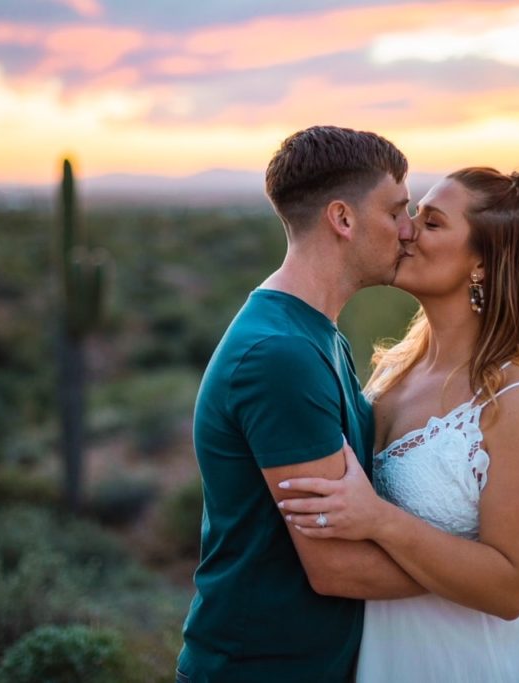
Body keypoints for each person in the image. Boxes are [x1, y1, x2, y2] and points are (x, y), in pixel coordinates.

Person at [278, 167, 519, 682]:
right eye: (412, 213)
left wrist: (379, 521)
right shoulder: (395, 371)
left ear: (482, 262)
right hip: (393, 655)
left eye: (432, 223)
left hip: (480, 661)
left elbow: (513, 589)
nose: (407, 230)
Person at [175, 126, 428, 683]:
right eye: (396, 211)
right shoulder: (279, 354)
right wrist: (486, 574)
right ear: (343, 219)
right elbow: (336, 567)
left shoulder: (315, 333)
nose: (410, 232)